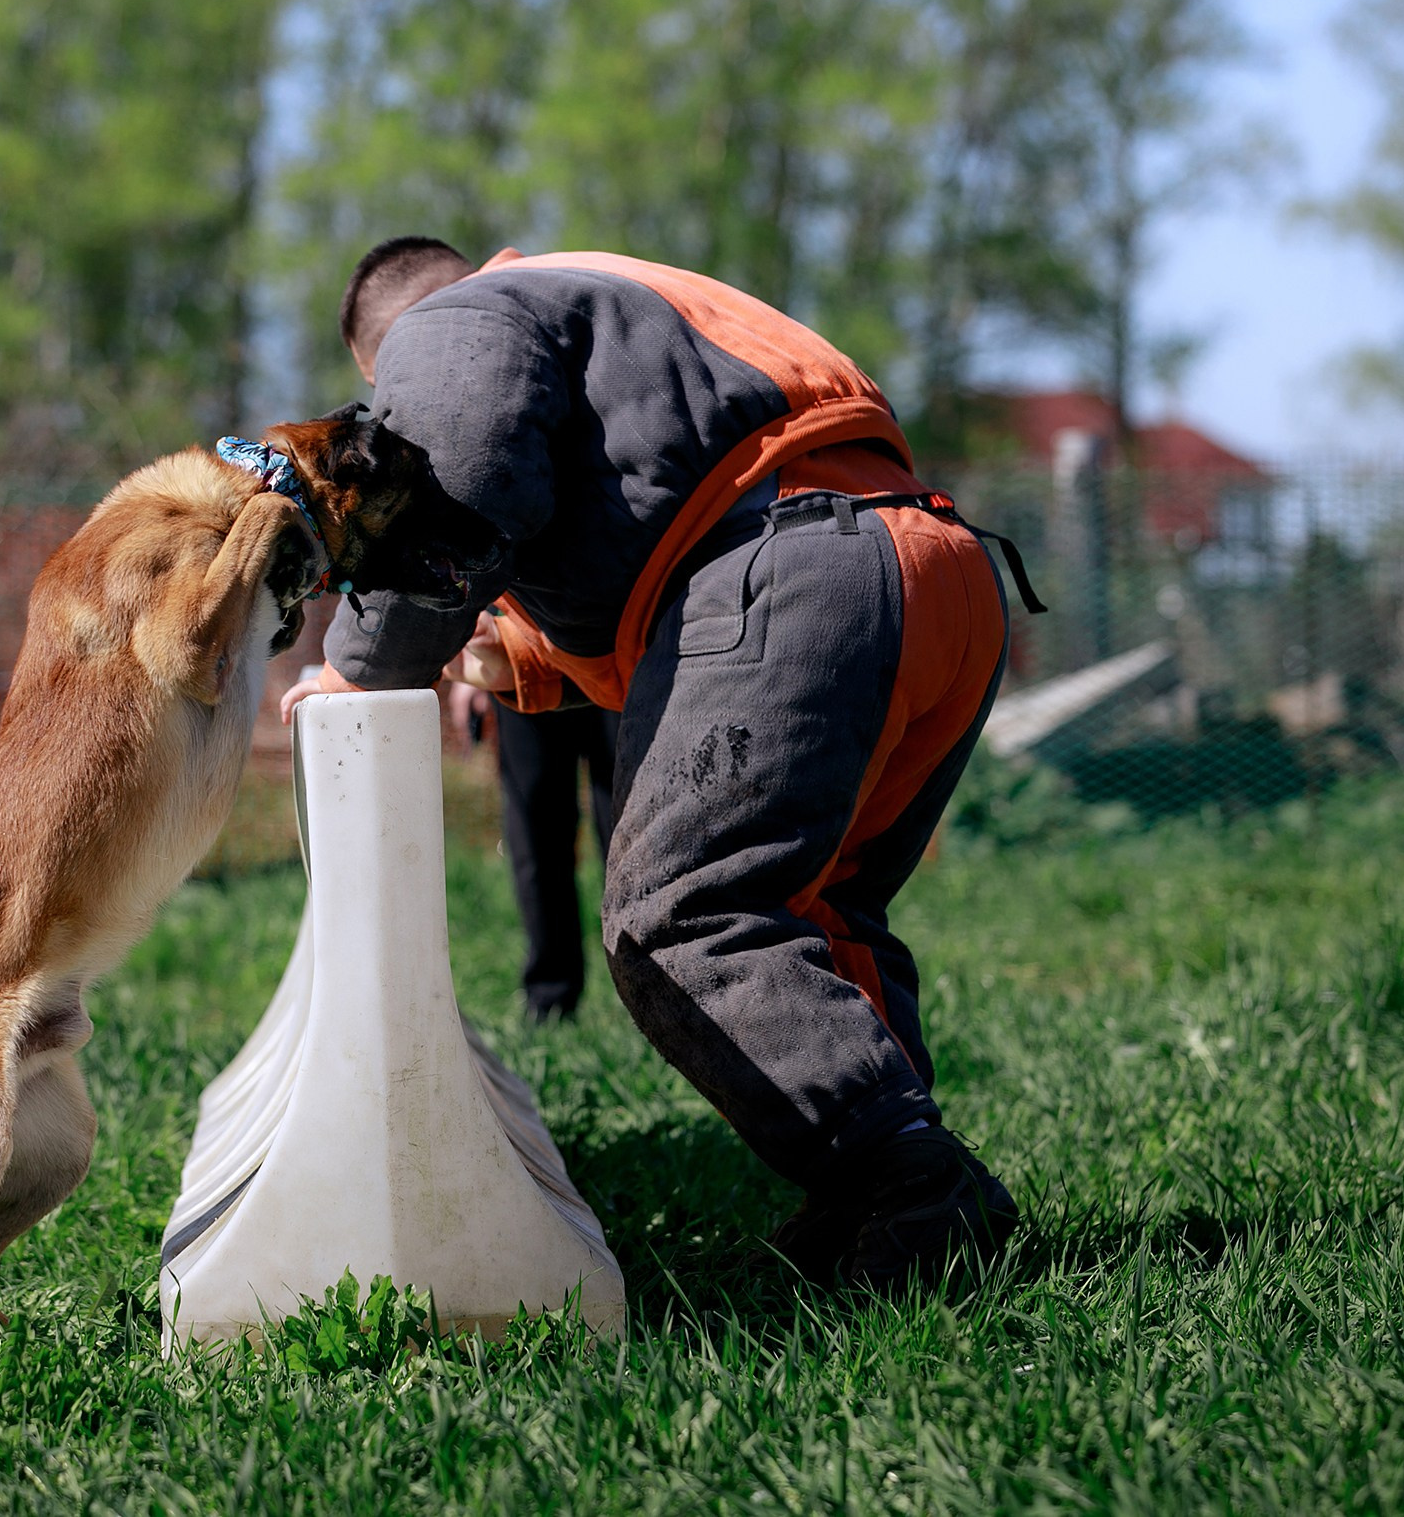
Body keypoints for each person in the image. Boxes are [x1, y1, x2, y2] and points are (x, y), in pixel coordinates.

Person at [282, 238, 1041, 1290]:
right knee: (813, 910)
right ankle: (890, 1199)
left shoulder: (458, 320)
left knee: (681, 915)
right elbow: (663, 531)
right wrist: (525, 657)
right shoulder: (606, 294)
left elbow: (455, 464)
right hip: (923, 566)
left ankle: (910, 1184)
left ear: (386, 353)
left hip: (791, 569)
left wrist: (359, 670)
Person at [453, 679, 621, 1023]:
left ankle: (659, 995)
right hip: (520, 661)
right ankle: (551, 1002)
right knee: (536, 837)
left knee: (629, 834)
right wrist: (469, 671)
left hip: (617, 651)